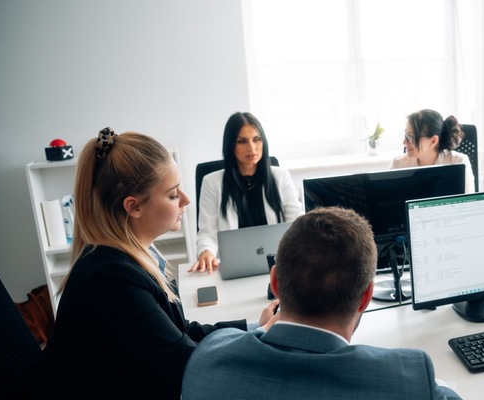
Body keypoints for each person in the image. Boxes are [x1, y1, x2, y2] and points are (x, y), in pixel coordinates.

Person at [36, 128, 278, 399]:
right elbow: (188, 363)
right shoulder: (111, 277)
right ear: (134, 207)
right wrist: (261, 339)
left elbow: (181, 333)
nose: (185, 200)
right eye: (173, 194)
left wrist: (256, 327)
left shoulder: (130, 258)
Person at [182, 206, 462, 400]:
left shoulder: (209, 357)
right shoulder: (406, 378)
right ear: (366, 296)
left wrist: (264, 328)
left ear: (276, 283)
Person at [192, 111, 302, 273]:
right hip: (236, 268)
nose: (251, 147)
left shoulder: (281, 177)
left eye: (256, 139)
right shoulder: (212, 183)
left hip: (279, 266)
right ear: (231, 146)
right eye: (242, 141)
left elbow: (297, 224)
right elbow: (207, 233)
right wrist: (206, 251)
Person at [390, 109, 476, 194]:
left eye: (411, 137)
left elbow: (468, 203)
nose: (404, 142)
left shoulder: (459, 162)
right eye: (406, 135)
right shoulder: (398, 164)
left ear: (433, 141)